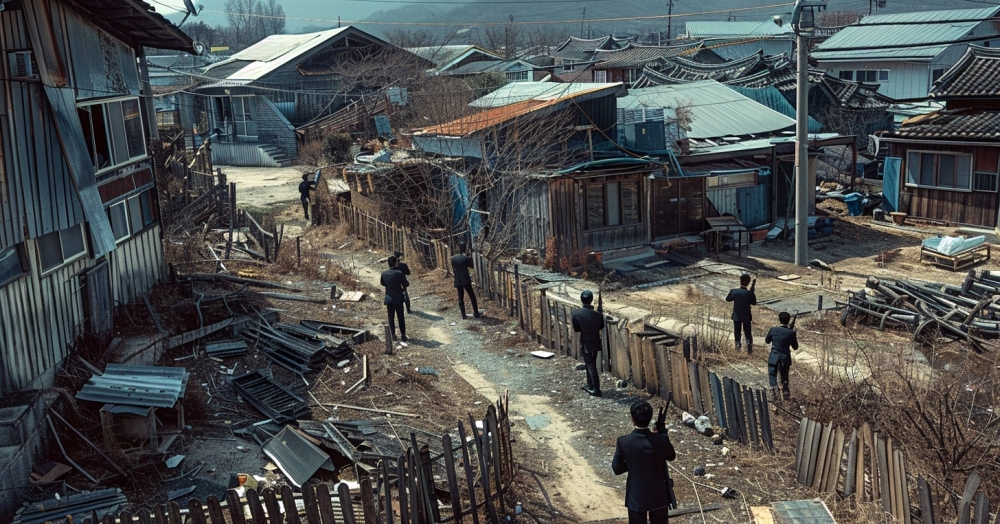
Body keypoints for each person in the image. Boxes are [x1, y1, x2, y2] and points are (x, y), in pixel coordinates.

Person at [612, 400, 677, 524]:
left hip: (636, 495)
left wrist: (633, 463)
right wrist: (663, 433)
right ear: (650, 418)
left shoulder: (623, 441)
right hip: (659, 494)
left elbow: (617, 468)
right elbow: (671, 456)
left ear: (632, 418)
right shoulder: (660, 439)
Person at [571, 290, 605, 397]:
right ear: (591, 300)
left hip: (586, 341)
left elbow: (577, 329)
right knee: (590, 363)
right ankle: (590, 384)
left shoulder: (576, 313)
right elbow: (601, 326)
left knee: (590, 364)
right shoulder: (598, 315)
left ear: (581, 300)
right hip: (595, 340)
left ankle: (596, 389)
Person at [765, 311, 799, 400]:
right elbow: (795, 347)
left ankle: (775, 396)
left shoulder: (773, 330)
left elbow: (767, 341)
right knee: (785, 378)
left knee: (772, 376)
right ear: (788, 320)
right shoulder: (791, 333)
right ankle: (786, 396)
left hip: (774, 356)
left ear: (779, 320)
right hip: (785, 358)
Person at [725, 273, 757, 354]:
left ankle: (737, 348)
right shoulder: (749, 293)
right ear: (748, 282)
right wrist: (752, 291)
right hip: (746, 316)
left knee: (737, 333)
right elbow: (754, 303)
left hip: (737, 316)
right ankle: (749, 350)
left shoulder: (734, 291)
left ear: (740, 281)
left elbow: (728, 299)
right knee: (748, 333)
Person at [380, 256, 408, 342]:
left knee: (391, 317)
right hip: (398, 298)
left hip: (389, 298)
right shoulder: (399, 273)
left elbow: (382, 283)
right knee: (401, 317)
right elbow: (406, 284)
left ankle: (393, 334)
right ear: (396, 263)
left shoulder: (384, 274)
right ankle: (403, 335)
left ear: (388, 264)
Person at [451, 242, 481, 319]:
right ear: (464, 248)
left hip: (458, 279)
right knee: (472, 295)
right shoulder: (465, 258)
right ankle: (476, 312)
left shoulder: (453, 258)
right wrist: (469, 257)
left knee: (460, 297)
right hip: (465, 279)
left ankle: (463, 314)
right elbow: (471, 266)